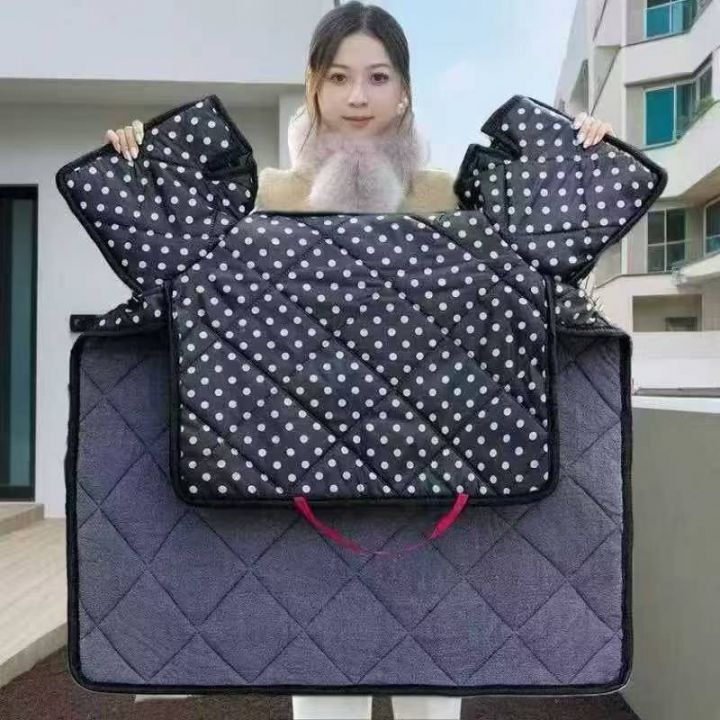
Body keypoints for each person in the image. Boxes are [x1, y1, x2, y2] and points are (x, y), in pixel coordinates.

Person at [105, 3, 614, 717]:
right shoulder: (263, 196)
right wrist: (139, 162)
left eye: (378, 77)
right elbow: (190, 293)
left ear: (404, 89)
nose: (357, 97)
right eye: (339, 77)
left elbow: (534, 288)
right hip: (304, 472)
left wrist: (581, 158)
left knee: (433, 690)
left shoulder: (450, 196)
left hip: (437, 469)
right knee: (323, 682)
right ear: (313, 85)